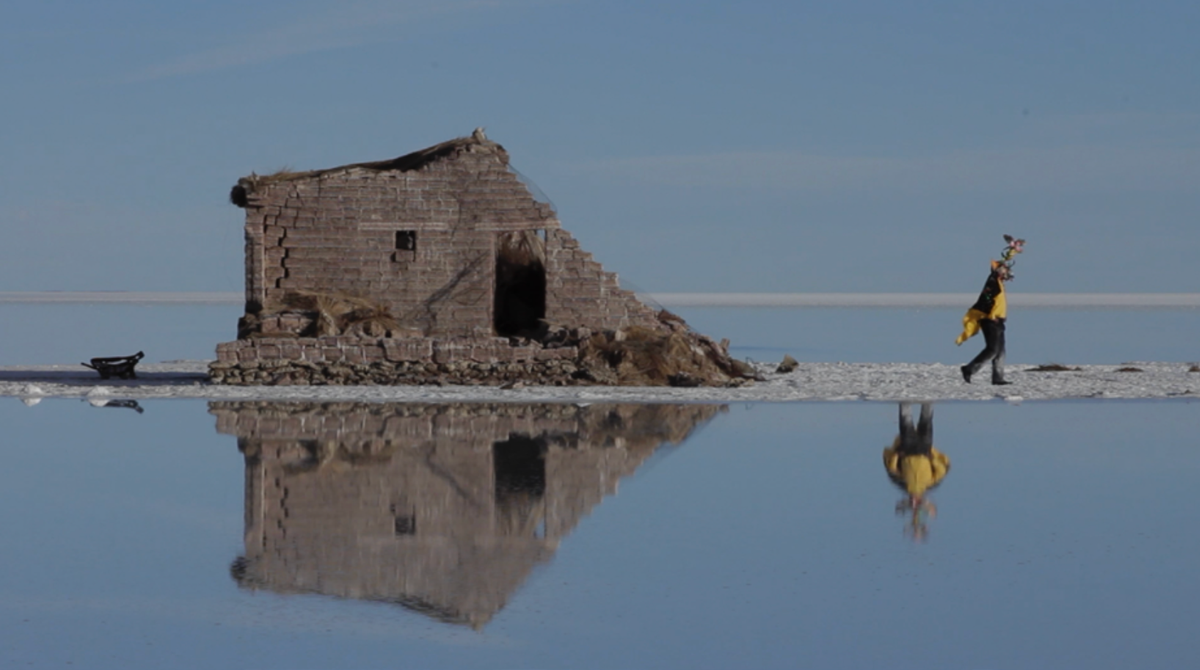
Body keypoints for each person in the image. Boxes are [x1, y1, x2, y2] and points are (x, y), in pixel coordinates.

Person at [883, 402, 949, 541]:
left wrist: (897, 456)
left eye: (912, 501)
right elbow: (941, 470)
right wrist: (933, 459)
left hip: (907, 449)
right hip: (924, 449)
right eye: (917, 502)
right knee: (926, 421)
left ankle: (905, 400)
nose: (914, 500)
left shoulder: (902, 484)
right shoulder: (930, 485)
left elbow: (892, 468)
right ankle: (928, 399)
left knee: (906, 421)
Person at [957, 260, 1011, 385]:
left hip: (999, 321)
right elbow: (987, 300)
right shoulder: (992, 283)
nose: (1007, 273)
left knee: (1000, 351)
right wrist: (991, 316)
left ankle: (998, 378)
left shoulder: (999, 283)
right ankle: (969, 369)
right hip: (990, 321)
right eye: (1005, 270)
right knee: (992, 349)